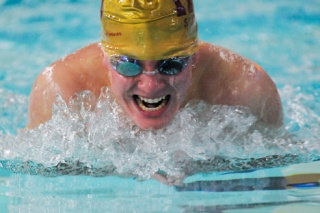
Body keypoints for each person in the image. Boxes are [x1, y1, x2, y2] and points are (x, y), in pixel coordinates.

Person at [27, 0, 283, 130]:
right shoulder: (63, 93)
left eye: (171, 64)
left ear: (195, 55)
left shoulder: (246, 91)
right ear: (104, 57)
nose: (150, 85)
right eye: (128, 65)